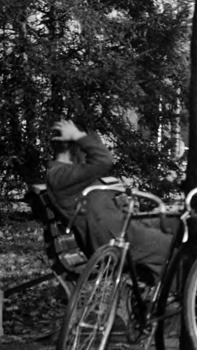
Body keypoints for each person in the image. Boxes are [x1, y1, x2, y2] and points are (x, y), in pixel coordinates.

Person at [45, 118, 176, 281]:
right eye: (83, 145)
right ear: (76, 147)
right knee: (172, 246)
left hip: (119, 230)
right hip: (112, 240)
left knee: (177, 223)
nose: (87, 152)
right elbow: (104, 160)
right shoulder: (61, 177)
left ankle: (156, 290)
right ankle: (175, 300)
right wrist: (79, 136)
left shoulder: (68, 173)